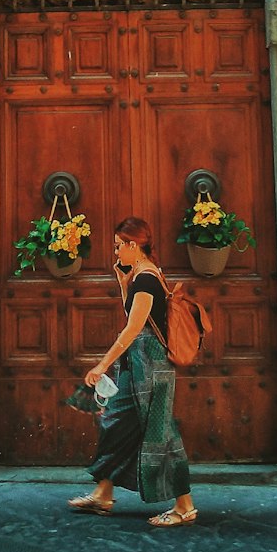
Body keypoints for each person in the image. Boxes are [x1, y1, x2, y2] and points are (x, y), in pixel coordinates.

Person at [68, 216, 197, 528]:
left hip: (151, 369)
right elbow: (134, 314)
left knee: (161, 433)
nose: (116, 254)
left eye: (118, 247)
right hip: (138, 367)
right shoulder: (140, 276)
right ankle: (103, 493)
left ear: (133, 245)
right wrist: (122, 281)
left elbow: (132, 329)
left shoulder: (148, 279)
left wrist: (101, 365)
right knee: (114, 422)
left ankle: (184, 506)